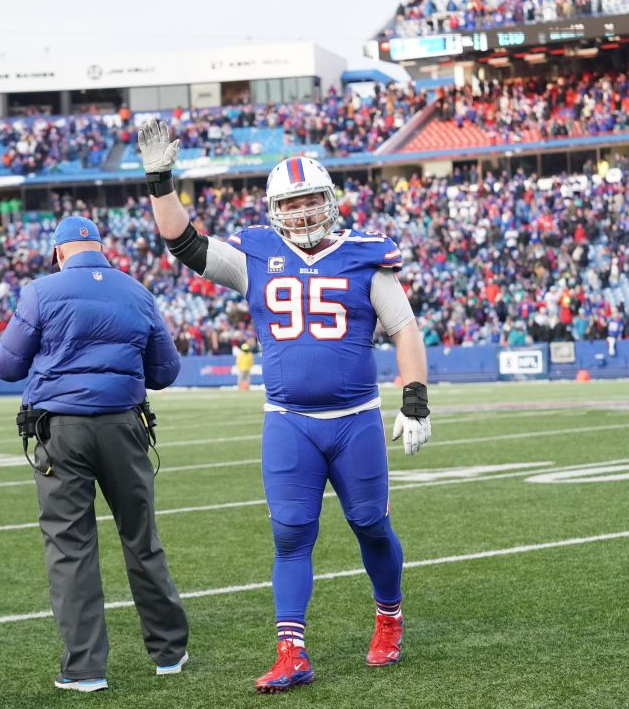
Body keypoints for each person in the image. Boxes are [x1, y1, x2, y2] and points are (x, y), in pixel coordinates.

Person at [137, 119, 432, 694]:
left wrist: (414, 400)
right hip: (289, 422)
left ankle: (389, 618)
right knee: (291, 536)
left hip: (355, 421)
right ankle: (291, 650)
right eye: (291, 203)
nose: (301, 213)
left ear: (331, 202)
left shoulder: (365, 256)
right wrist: (159, 179)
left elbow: (404, 328)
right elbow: (184, 242)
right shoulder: (256, 254)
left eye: (310, 201)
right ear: (275, 209)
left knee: (371, 524)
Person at [0, 216, 189, 693]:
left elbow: (6, 365)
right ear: (101, 248)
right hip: (125, 426)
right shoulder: (137, 292)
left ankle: (85, 669)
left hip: (61, 430)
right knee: (142, 538)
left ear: (58, 252)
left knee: (70, 546)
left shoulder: (40, 292)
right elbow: (166, 371)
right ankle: (169, 652)